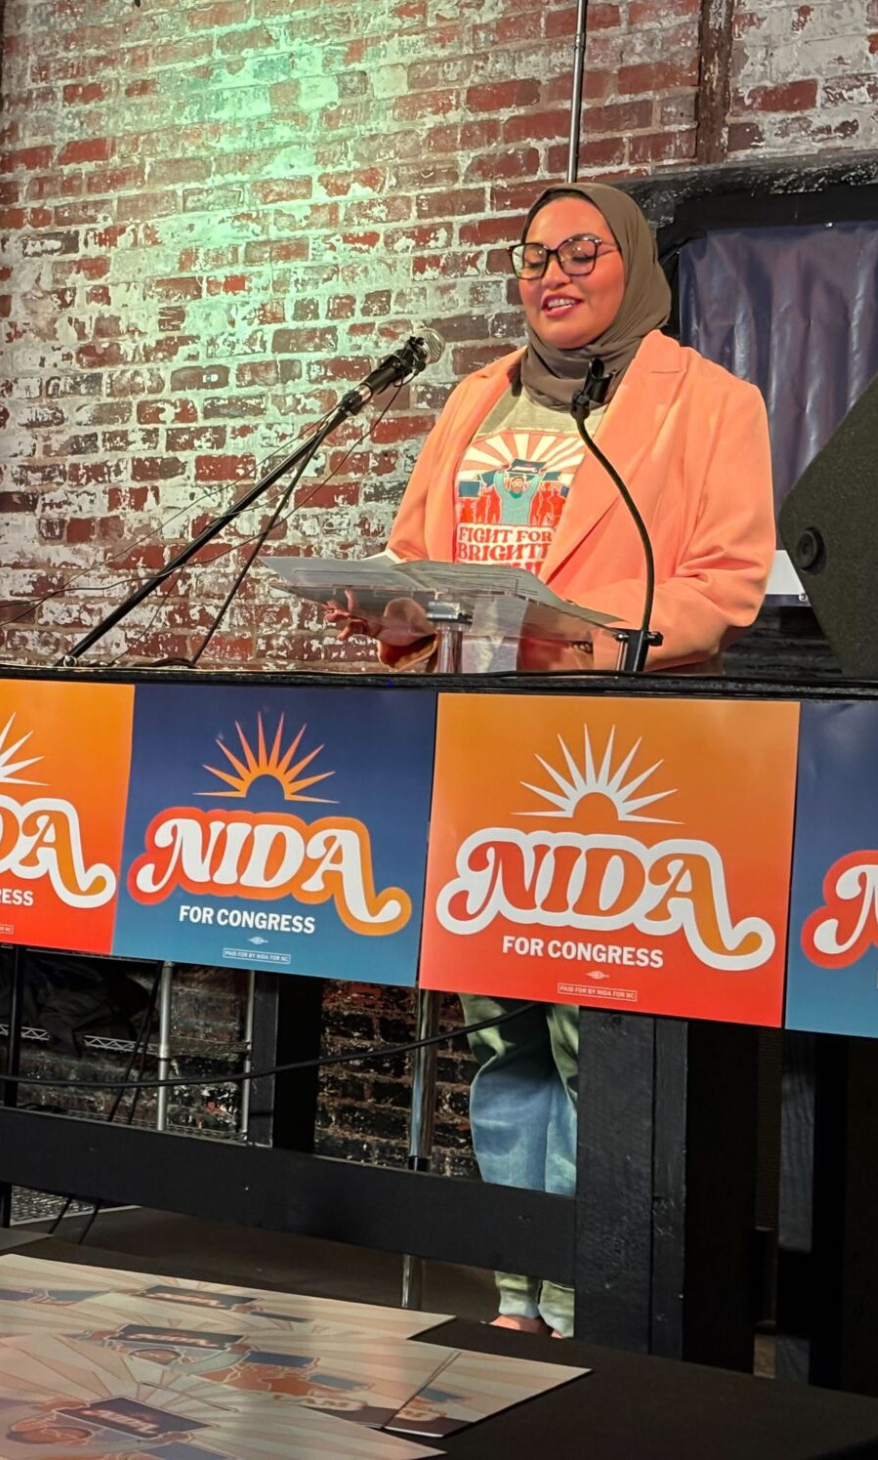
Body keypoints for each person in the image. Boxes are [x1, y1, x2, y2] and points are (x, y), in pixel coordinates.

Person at [337, 181, 776, 1336]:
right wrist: (393, 612)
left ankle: (590, 1293)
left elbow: (725, 583)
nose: (553, 275)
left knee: (590, 1028)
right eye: (534, 256)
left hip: (614, 763)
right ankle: (516, 1287)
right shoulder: (475, 398)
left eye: (582, 252)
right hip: (481, 750)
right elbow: (416, 556)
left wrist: (591, 634)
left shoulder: (711, 403)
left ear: (632, 262)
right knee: (504, 1031)